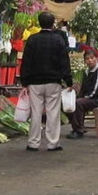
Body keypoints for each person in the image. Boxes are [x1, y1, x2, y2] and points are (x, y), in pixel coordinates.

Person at [20, 12, 73, 152]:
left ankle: (33, 143)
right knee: (53, 113)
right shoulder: (58, 40)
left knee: (35, 113)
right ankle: (53, 143)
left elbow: (26, 62)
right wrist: (68, 80)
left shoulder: (32, 40)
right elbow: (64, 62)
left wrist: (24, 82)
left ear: (39, 23)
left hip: (35, 83)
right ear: (53, 23)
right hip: (53, 82)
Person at [66, 50, 98, 139]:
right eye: (87, 59)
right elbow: (83, 89)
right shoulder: (87, 72)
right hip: (89, 98)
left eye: (92, 58)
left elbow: (96, 90)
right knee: (69, 104)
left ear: (97, 59)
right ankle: (77, 127)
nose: (90, 60)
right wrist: (77, 96)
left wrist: (84, 98)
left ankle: (79, 131)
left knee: (79, 103)